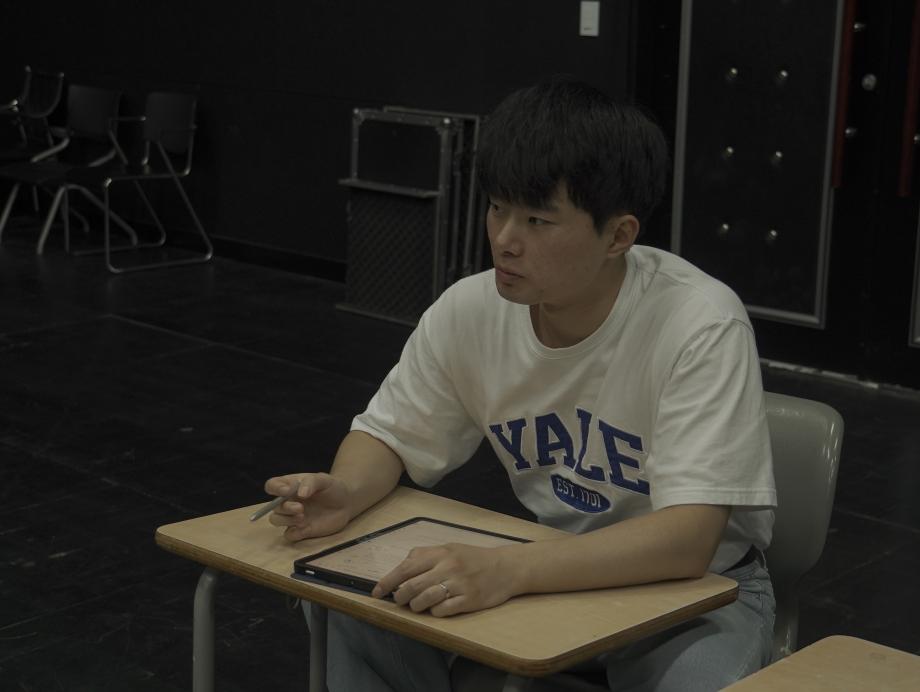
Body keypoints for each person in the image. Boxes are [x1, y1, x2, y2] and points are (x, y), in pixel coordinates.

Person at [264, 77, 777, 692]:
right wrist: (347, 491)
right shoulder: (471, 309)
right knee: (348, 604)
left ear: (618, 236)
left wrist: (508, 570)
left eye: (537, 219)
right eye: (497, 208)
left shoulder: (700, 323)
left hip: (695, 592)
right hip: (546, 567)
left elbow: (687, 541)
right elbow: (391, 435)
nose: (505, 240)